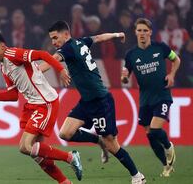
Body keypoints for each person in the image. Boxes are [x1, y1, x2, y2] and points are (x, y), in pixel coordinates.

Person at [40, 20, 146, 184]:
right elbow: (99, 37)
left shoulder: (67, 48)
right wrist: (117, 35)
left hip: (101, 101)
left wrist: (33, 72)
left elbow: (52, 61)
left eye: (55, 38)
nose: (53, 42)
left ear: (66, 34)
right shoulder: (81, 42)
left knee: (112, 145)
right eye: (52, 39)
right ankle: (98, 140)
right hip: (87, 101)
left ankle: (137, 176)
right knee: (65, 133)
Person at [0, 32, 82, 184]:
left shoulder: (13, 54)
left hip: (46, 103)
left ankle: (70, 157)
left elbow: (43, 54)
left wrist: (61, 70)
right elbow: (12, 96)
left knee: (25, 147)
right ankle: (64, 182)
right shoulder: (4, 67)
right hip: (33, 105)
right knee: (38, 153)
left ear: (3, 46)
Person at [121, 18, 180, 177]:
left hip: (162, 95)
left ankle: (168, 146)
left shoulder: (160, 47)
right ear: (135, 32)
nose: (142, 33)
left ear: (150, 32)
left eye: (145, 31)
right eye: (139, 30)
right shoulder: (131, 54)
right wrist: (125, 78)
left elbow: (176, 59)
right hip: (145, 99)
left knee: (155, 129)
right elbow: (125, 76)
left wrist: (172, 74)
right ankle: (166, 166)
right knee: (149, 133)